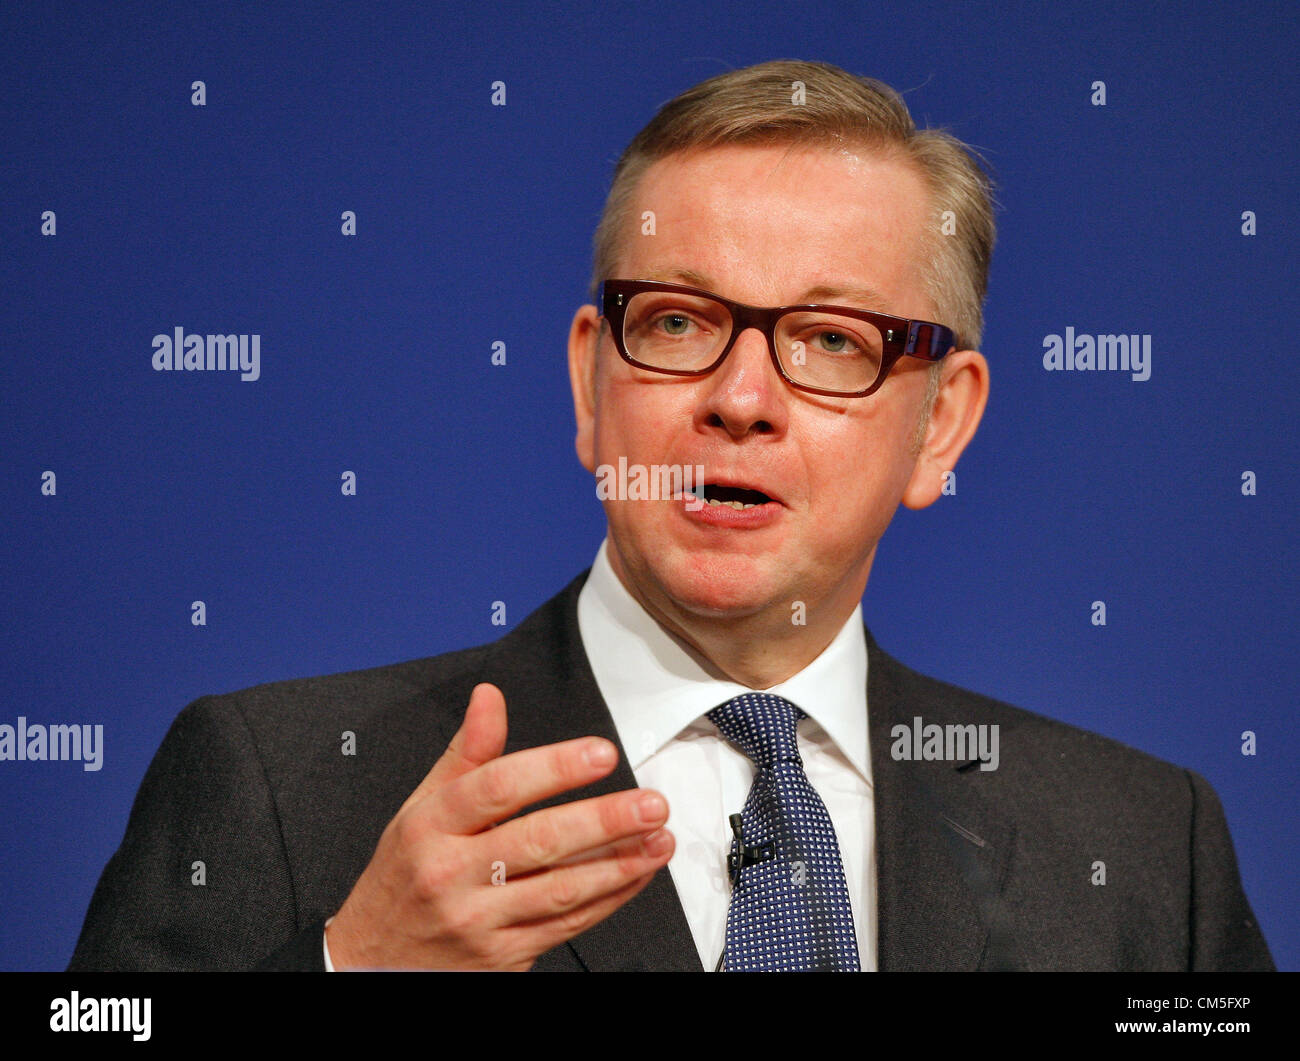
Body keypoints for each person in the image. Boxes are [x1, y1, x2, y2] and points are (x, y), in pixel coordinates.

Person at [68, 59, 1273, 972]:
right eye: (681, 323)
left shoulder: (1138, 849)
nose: (739, 400)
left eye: (830, 340)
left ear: (940, 425)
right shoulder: (279, 785)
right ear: (592, 379)